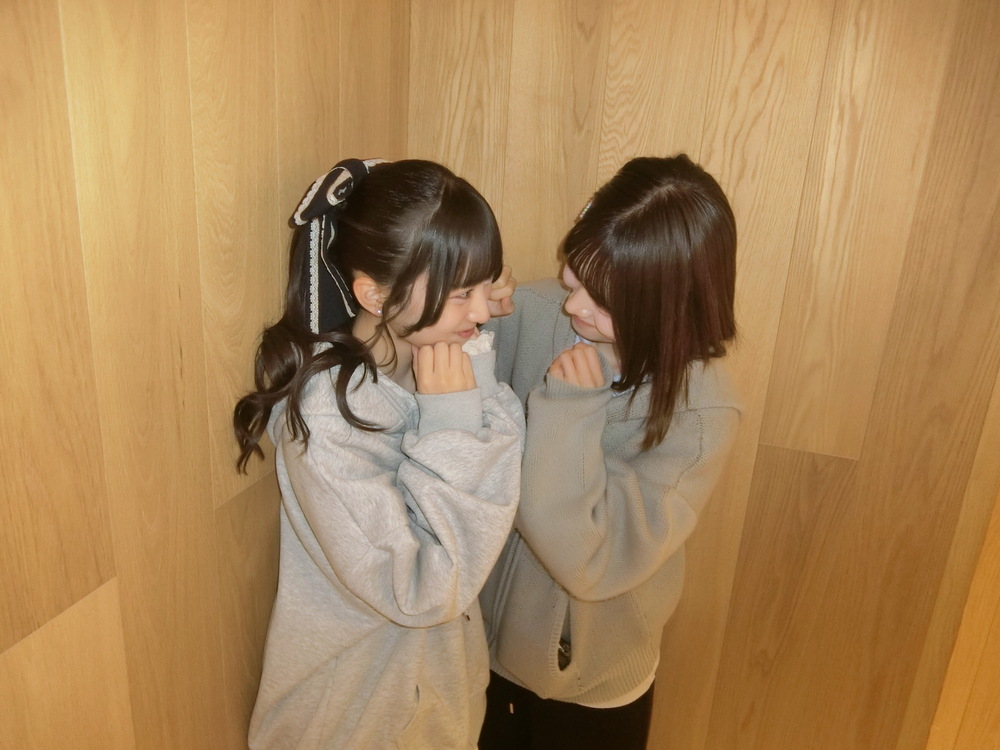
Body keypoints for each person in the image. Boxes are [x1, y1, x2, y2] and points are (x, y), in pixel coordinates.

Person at [233, 158, 524, 749]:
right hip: (354, 722)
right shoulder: (329, 416)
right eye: (462, 293)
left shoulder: (434, 360)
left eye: (486, 285)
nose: (482, 311)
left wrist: (470, 373)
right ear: (374, 293)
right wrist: (453, 419)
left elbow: (494, 493)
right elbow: (423, 589)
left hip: (435, 706)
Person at [478, 154, 742, 749]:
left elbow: (588, 559)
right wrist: (465, 310)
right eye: (575, 278)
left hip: (590, 681)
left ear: (668, 307)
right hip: (480, 651)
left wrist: (569, 408)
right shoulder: (535, 312)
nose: (574, 307)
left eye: (602, 302)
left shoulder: (701, 411)